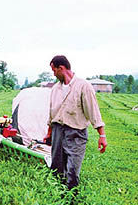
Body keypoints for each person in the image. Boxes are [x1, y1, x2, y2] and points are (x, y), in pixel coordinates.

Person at [43, 55, 107, 190]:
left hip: (76, 134)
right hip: (58, 132)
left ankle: (71, 203)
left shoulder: (83, 86)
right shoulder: (55, 89)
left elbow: (93, 112)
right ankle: (57, 199)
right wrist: (49, 133)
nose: (53, 74)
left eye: (54, 71)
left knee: (72, 171)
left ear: (61, 68)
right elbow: (52, 113)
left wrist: (102, 136)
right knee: (56, 169)